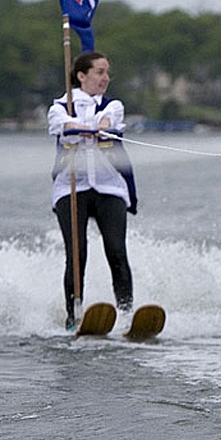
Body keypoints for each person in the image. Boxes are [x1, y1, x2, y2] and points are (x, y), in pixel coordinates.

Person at [47, 52, 137, 330]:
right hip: (70, 188)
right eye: (99, 72)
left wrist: (92, 129)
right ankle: (74, 315)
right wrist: (80, 129)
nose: (106, 78)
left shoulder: (113, 106)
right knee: (77, 254)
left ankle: (126, 314)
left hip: (110, 187)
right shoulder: (59, 107)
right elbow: (62, 126)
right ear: (81, 76)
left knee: (116, 251)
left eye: (107, 72)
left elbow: (107, 124)